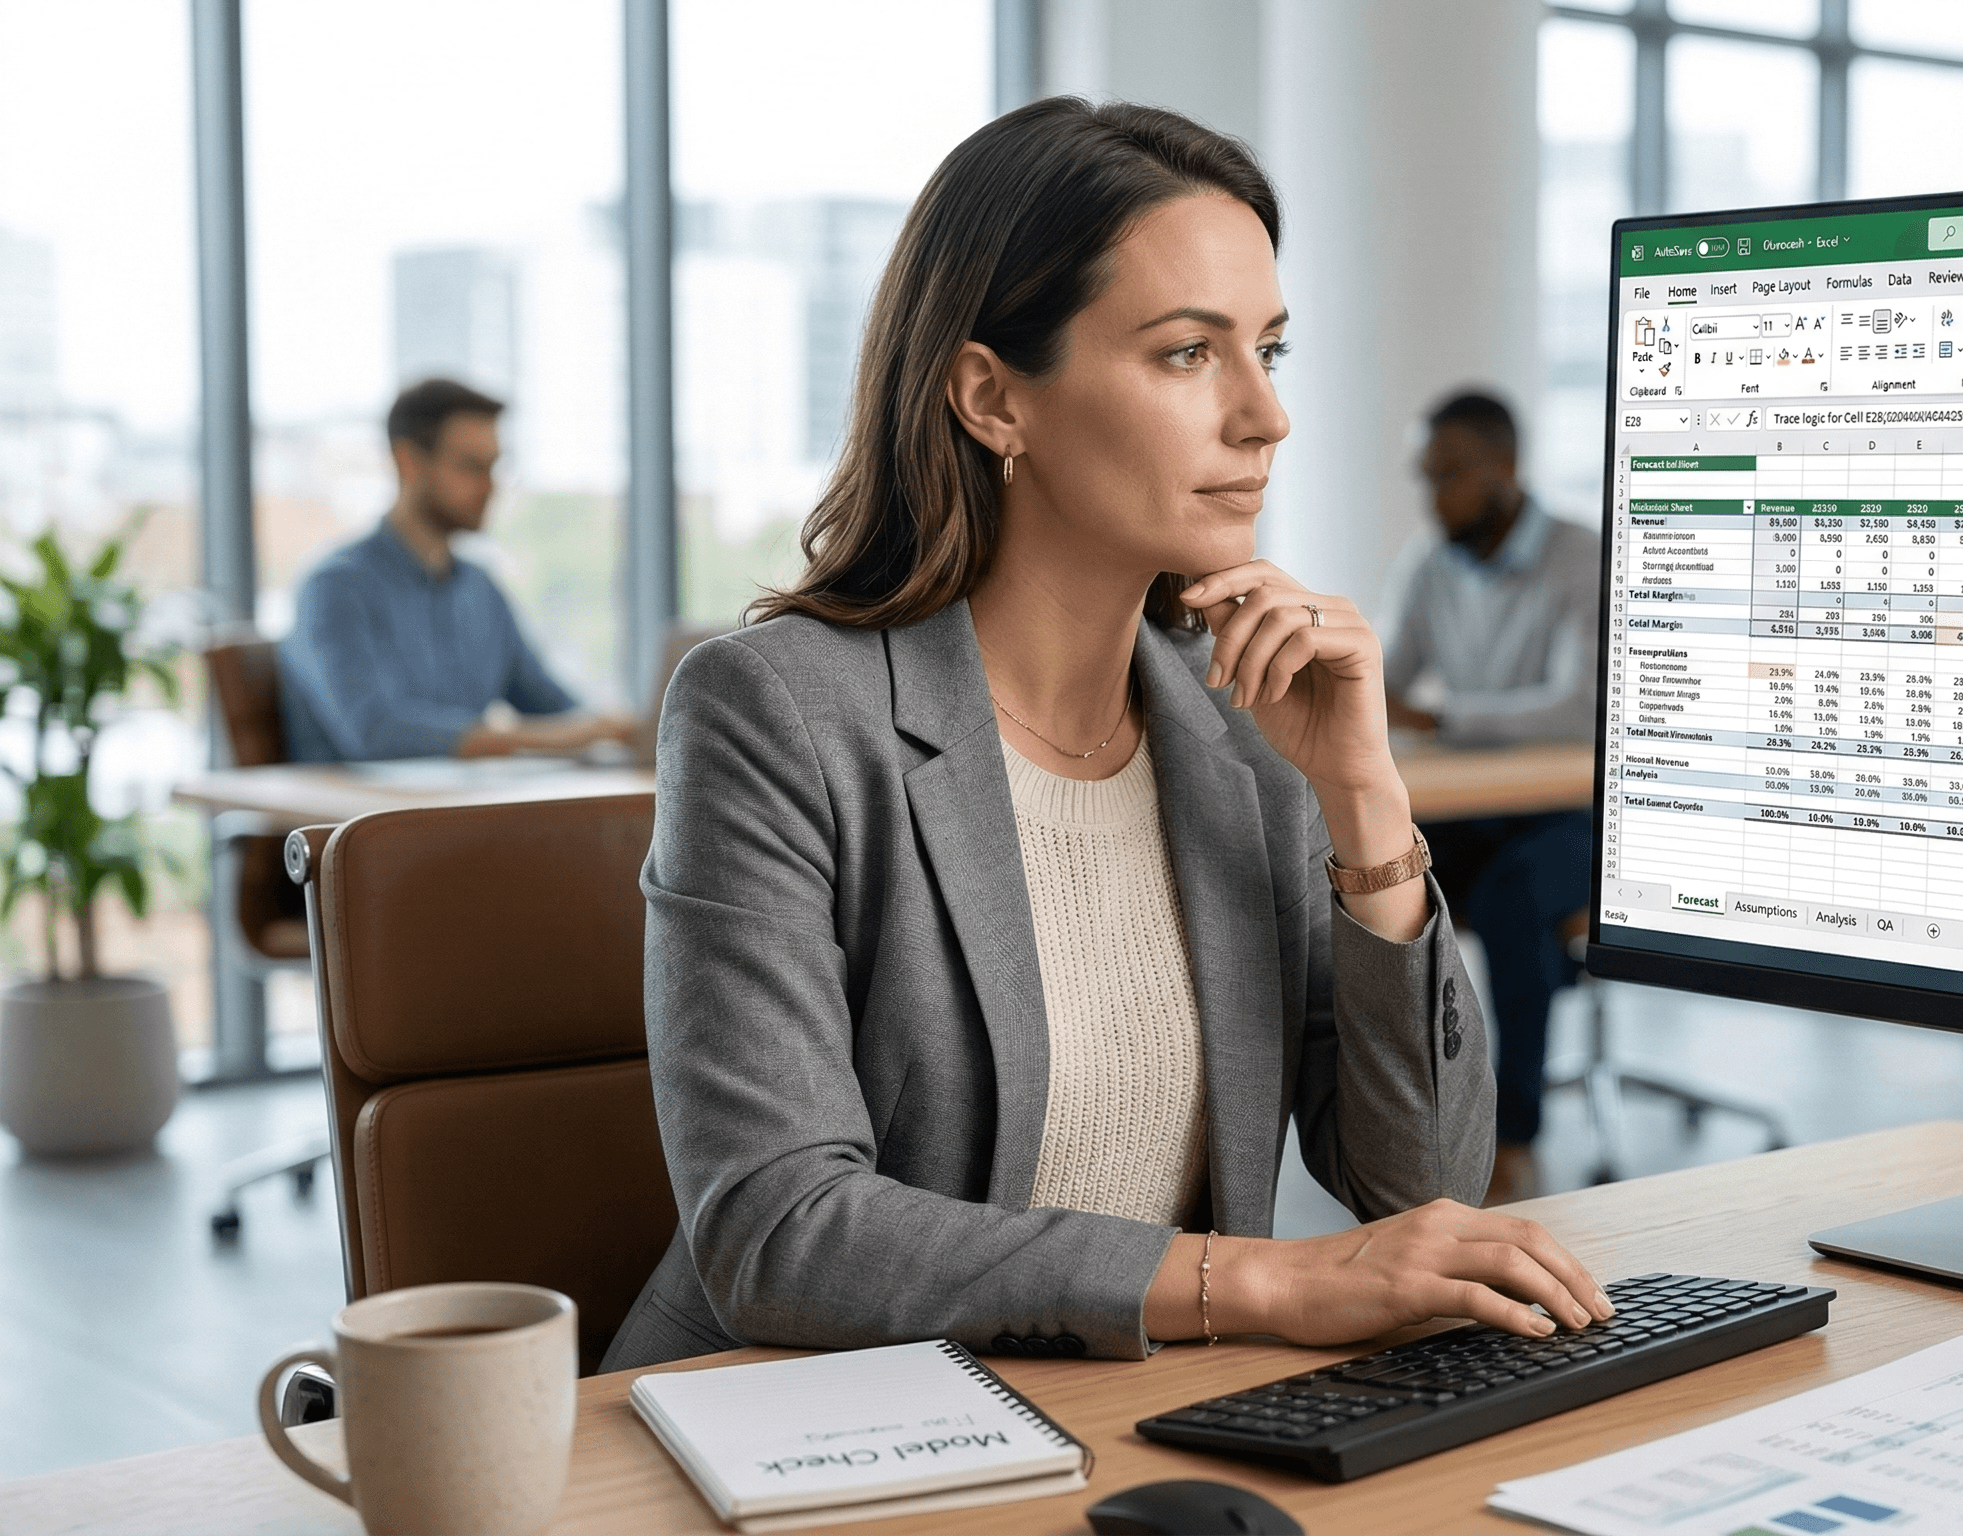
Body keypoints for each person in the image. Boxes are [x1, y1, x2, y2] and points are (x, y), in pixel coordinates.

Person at [602, 98, 1610, 1373]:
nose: (1264, 417)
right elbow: (779, 1233)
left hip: (1106, 1426)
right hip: (808, 1426)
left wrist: (1364, 798)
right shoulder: (778, 712)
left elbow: (1417, 1180)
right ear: (991, 399)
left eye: (1270, 351)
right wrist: (1261, 1281)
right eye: (1189, 354)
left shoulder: (1243, 734)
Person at [1385, 391, 1601, 1204]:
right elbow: (1383, 682)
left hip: (1577, 817)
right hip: (1485, 811)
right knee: (1388, 874)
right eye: (1427, 475)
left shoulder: (1580, 555)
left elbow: (1581, 706)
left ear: (1505, 466)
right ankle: (1409, 1128)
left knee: (1516, 900)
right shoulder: (1432, 562)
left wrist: (1442, 717)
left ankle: (1511, 1139)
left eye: (1451, 474)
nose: (1435, 494)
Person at [277, 379, 636, 762]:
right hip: (361, 818)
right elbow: (375, 731)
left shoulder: (479, 589)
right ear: (409, 463)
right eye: (471, 467)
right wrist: (551, 739)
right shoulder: (334, 587)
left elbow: (551, 705)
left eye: (494, 466)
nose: (490, 486)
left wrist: (614, 729)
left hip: (458, 809)